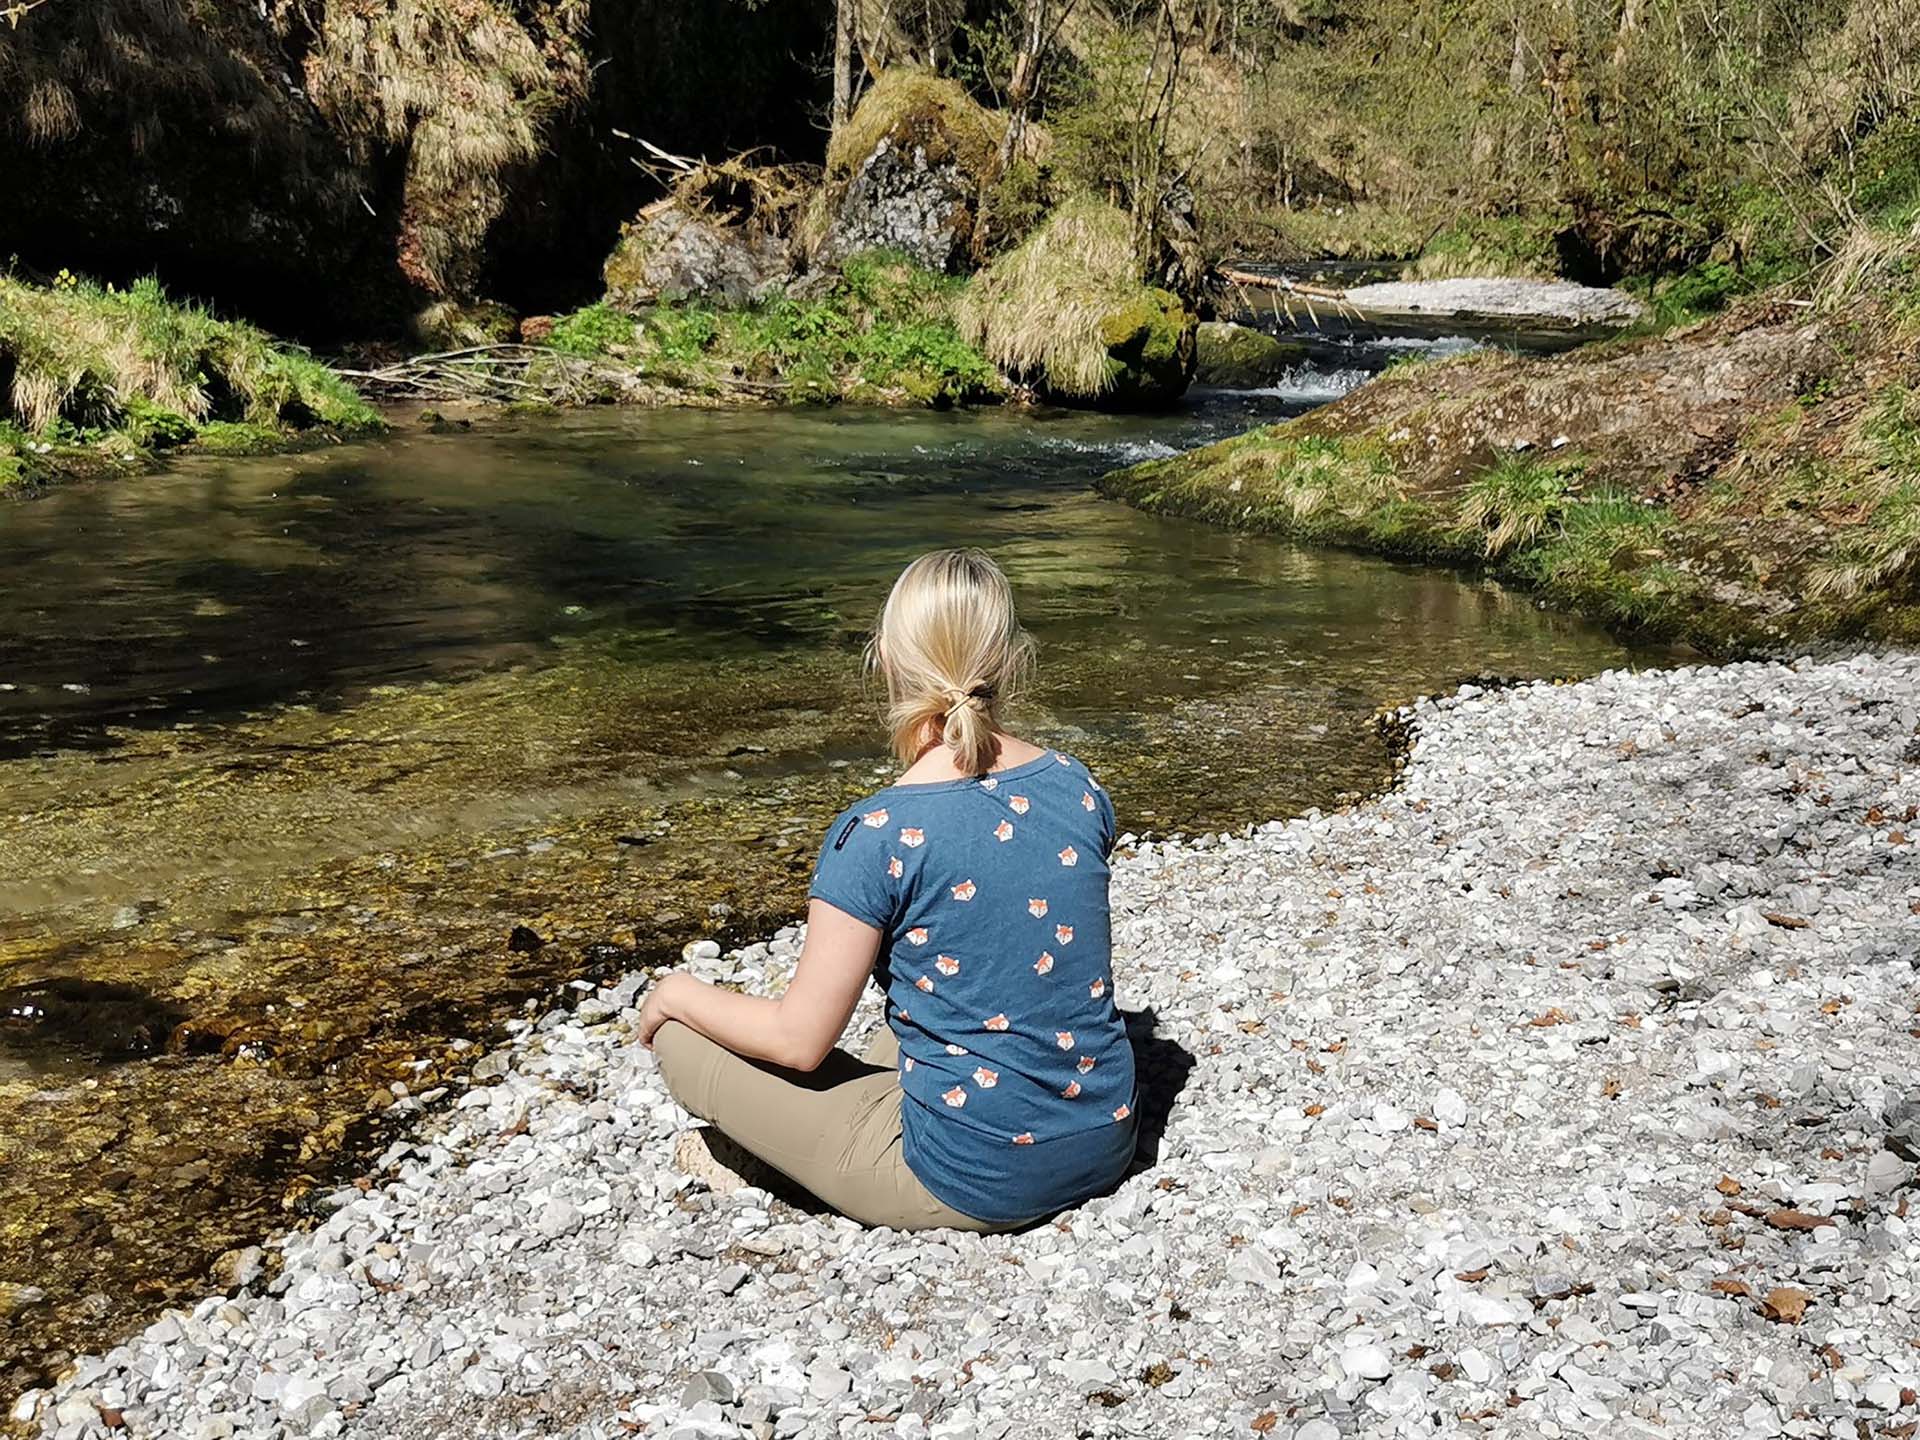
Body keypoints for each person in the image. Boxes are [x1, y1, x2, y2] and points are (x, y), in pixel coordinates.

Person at [638, 548, 1137, 1231]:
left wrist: (675, 993)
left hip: (972, 1179)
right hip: (1106, 1137)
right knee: (888, 1041)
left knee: (683, 1041)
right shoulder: (1077, 786)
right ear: (1011, 658)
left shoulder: (875, 832)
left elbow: (799, 1041)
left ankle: (768, 1159)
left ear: (888, 662)